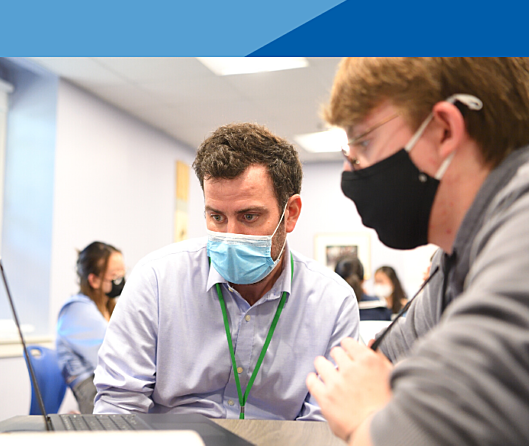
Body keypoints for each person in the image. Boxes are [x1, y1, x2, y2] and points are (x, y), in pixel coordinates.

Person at [306, 57, 529, 446]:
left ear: (444, 130)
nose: (351, 171)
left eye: (362, 143)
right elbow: (369, 368)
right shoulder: (455, 261)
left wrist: (369, 417)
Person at [95, 122, 359, 420]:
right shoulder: (155, 281)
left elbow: (324, 426)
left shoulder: (333, 303)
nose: (231, 234)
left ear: (291, 214)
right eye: (216, 216)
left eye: (249, 216)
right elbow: (118, 408)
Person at [56, 241, 126, 414]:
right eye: (114, 275)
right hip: (94, 393)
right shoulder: (77, 310)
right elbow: (115, 354)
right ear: (94, 280)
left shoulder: (108, 306)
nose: (121, 280)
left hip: (106, 388)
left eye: (123, 273)